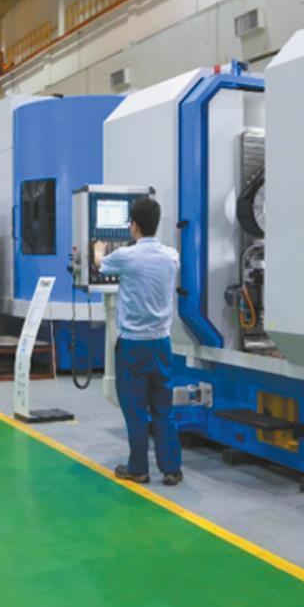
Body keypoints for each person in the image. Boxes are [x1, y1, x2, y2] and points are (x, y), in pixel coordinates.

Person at [97, 197, 183, 486]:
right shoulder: (171, 256)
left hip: (133, 345)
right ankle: (171, 469)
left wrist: (97, 249)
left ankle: (138, 469)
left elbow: (101, 265)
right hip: (161, 344)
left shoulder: (126, 257)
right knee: (163, 408)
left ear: (133, 225)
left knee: (135, 409)